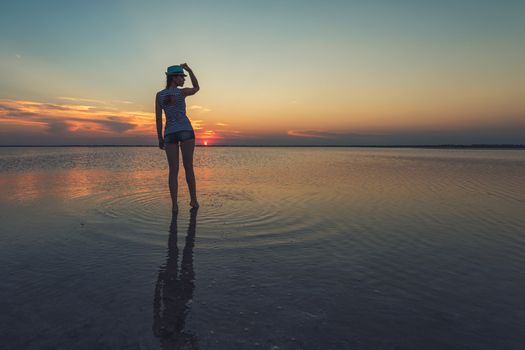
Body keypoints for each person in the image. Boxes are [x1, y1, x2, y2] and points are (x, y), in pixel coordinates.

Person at [156, 63, 200, 212]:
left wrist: (160, 138)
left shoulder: (159, 95)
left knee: (173, 170)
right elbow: (197, 87)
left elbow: (158, 119)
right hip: (186, 131)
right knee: (188, 167)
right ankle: (193, 200)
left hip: (169, 134)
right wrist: (190, 69)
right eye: (181, 76)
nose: (183, 79)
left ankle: (174, 205)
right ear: (174, 78)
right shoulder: (182, 93)